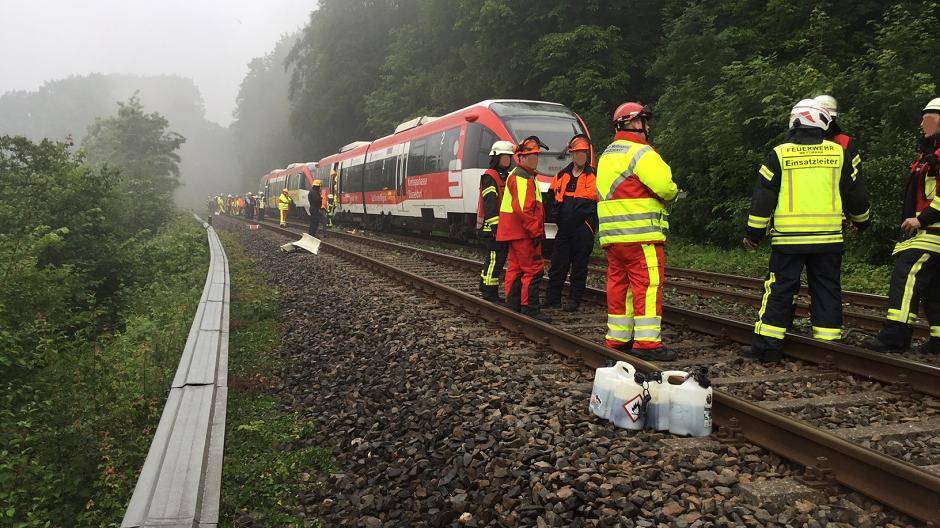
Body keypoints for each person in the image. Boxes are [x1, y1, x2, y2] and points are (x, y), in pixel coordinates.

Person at [742, 99, 871, 362]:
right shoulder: (838, 153)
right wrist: (862, 221)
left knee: (779, 289)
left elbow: (763, 198)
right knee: (827, 288)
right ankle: (828, 346)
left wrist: (753, 234)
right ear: (824, 122)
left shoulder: (779, 154)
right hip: (829, 239)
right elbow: (855, 193)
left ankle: (768, 347)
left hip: (789, 240)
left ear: (794, 122)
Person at [596, 102, 678, 361]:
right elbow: (666, 187)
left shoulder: (607, 154)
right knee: (648, 285)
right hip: (641, 235)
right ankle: (647, 342)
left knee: (619, 286)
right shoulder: (642, 152)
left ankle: (618, 338)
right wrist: (672, 192)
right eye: (643, 121)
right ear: (632, 123)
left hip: (613, 237)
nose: (647, 126)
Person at [867, 98, 940, 353]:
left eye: (928, 117)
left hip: (930, 233)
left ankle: (896, 335)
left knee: (905, 277)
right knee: (933, 287)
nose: (922, 123)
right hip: (928, 232)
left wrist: (922, 219)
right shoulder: (930, 154)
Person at [496, 136, 551, 322]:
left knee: (516, 268)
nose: (536, 159)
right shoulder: (522, 176)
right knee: (533, 269)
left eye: (536, 155)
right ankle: (530, 307)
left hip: (516, 232)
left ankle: (513, 304)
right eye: (532, 155)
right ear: (521, 157)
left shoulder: (522, 175)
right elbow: (523, 208)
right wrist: (535, 231)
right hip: (524, 233)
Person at [545, 134, 598, 312]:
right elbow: (551, 197)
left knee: (579, 267)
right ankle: (553, 299)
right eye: (578, 153)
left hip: (584, 229)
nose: (581, 156)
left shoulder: (594, 177)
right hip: (564, 229)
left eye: (583, 153)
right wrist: (555, 217)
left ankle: (574, 300)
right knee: (558, 265)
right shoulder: (561, 175)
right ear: (572, 154)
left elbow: (597, 204)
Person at [477, 140, 515, 302]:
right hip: (492, 228)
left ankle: (484, 285)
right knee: (495, 260)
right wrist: (495, 227)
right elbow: (490, 204)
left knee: (495, 258)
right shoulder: (489, 177)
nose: (507, 161)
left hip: (501, 227)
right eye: (504, 157)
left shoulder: (505, 176)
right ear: (496, 158)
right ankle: (489, 292)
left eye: (509, 158)